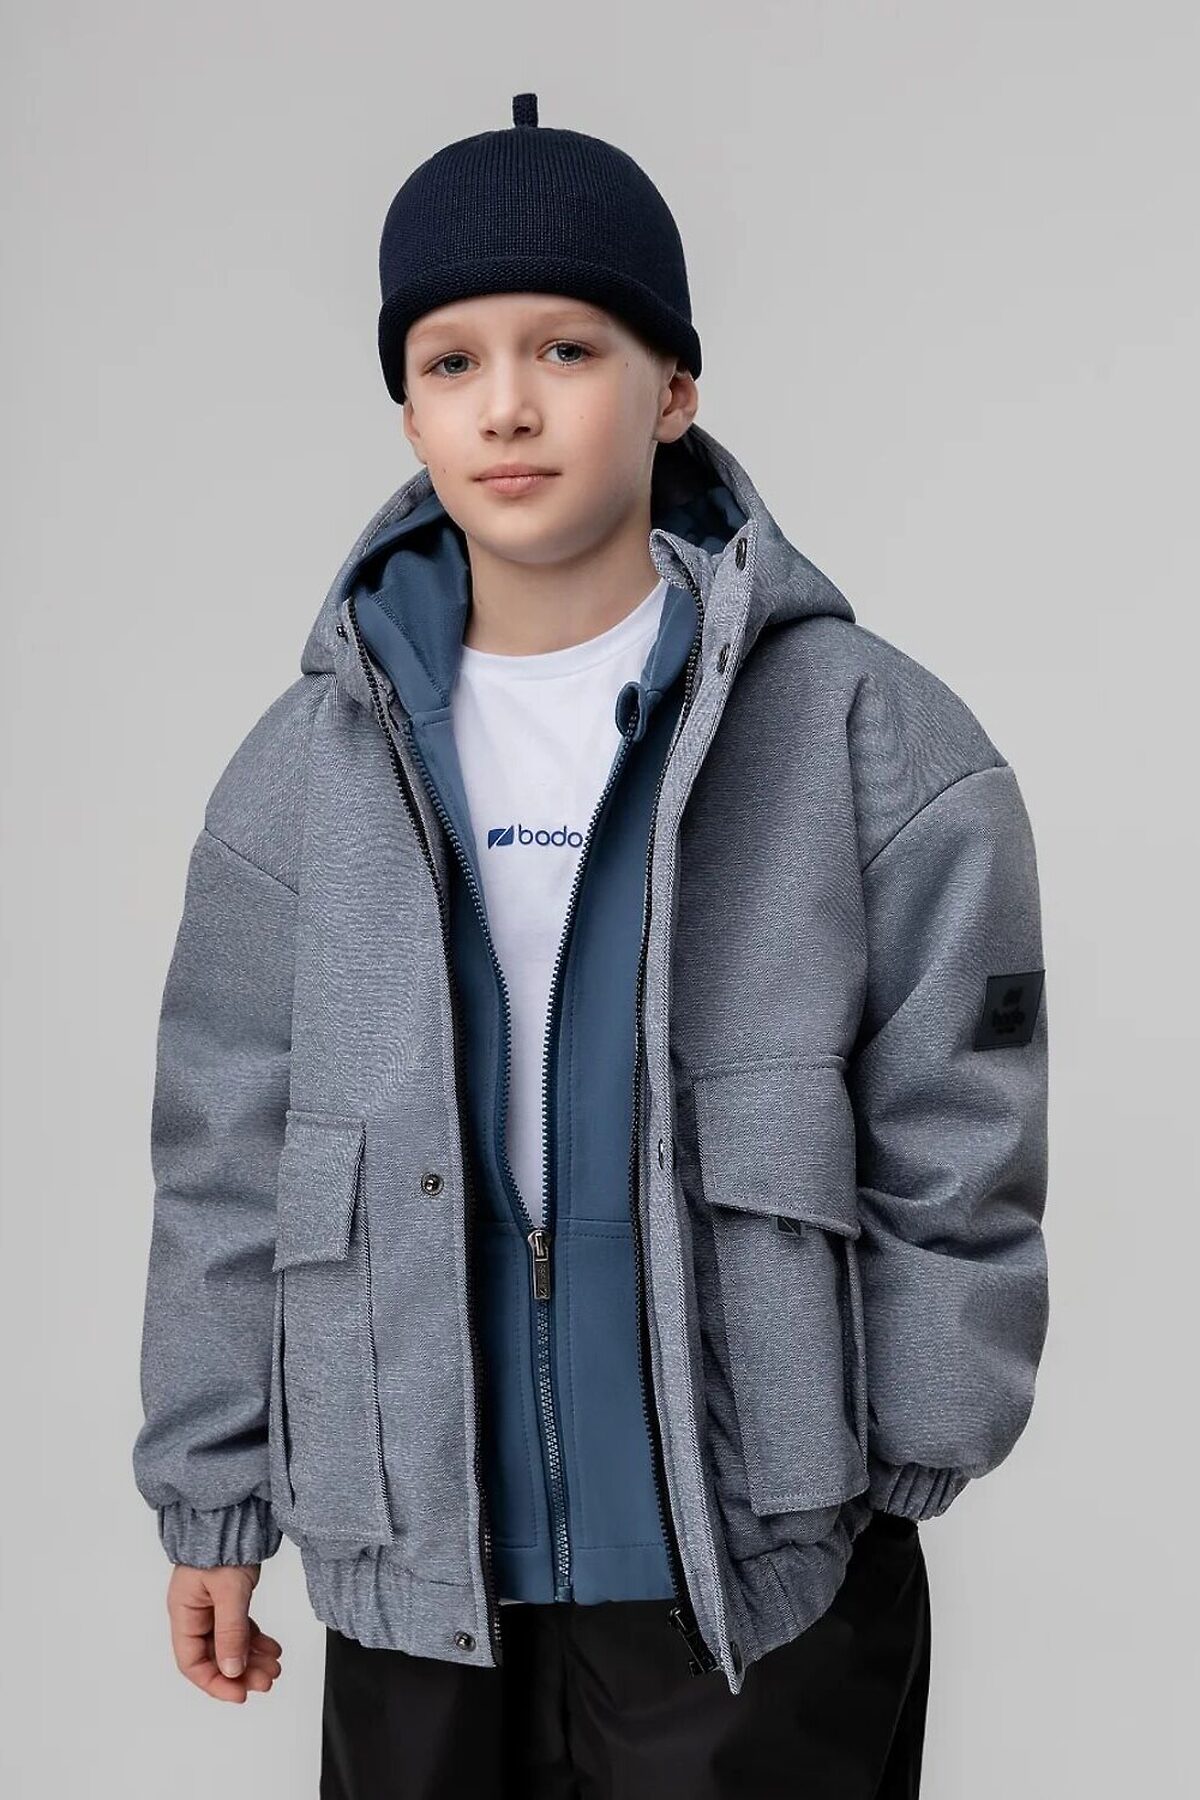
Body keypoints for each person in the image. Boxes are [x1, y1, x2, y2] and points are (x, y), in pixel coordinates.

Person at [131, 91, 1050, 1799]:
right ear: (409, 409)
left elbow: (960, 1117)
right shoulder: (304, 771)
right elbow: (225, 1156)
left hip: (759, 1570)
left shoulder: (866, 737)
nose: (509, 404)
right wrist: (216, 1495)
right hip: (418, 1566)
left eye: (567, 348)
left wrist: (920, 1435)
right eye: (453, 361)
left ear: (673, 388)